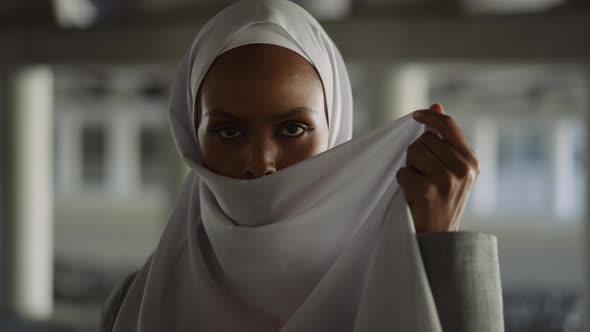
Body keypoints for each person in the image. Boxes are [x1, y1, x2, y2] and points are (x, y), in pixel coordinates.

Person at [101, 0, 503, 331]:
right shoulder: (134, 305)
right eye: (228, 132)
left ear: (334, 132)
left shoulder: (390, 279)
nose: (260, 164)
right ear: (192, 138)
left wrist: (439, 249)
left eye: (292, 129)